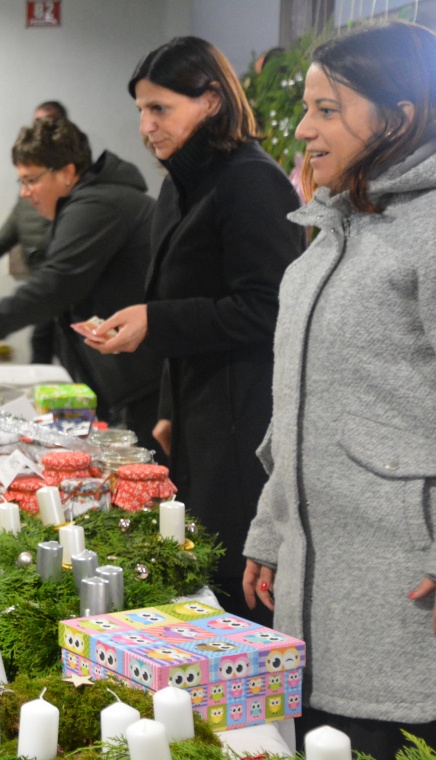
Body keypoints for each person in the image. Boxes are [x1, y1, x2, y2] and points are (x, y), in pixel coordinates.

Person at [243, 20, 436, 760]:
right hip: (318, 600)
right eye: (307, 108)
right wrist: (270, 529)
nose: (304, 128)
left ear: (398, 117)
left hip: (414, 597)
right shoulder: (332, 232)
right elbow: (299, 411)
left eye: (328, 110)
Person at [85, 37, 304, 622]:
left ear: (210, 101)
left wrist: (154, 321)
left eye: (160, 109)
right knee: (205, 578)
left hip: (244, 423)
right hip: (198, 411)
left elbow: (270, 309)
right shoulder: (179, 182)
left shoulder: (252, 181)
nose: (145, 125)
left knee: (236, 586)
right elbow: (181, 304)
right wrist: (169, 406)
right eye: (140, 110)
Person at [0, 118, 162, 450]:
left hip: (147, 385)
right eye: (21, 181)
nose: (24, 192)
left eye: (31, 180)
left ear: (67, 172)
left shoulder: (97, 205)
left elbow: (56, 285)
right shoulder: (88, 202)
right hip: (131, 380)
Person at [0, 101, 67, 365]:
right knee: (41, 341)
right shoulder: (33, 175)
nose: (41, 129)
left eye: (48, 122)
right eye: (37, 122)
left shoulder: (63, 180)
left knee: (62, 343)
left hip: (58, 276)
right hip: (39, 274)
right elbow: (16, 220)